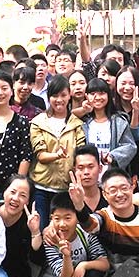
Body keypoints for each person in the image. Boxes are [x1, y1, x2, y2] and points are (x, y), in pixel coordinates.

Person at [29, 74, 87, 228]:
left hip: (66, 188)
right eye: (55, 95)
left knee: (63, 229)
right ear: (49, 97)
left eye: (63, 95)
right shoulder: (38, 122)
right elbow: (40, 155)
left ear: (69, 95)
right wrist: (57, 155)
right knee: (41, 228)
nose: (59, 100)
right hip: (41, 187)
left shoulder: (77, 124)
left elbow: (80, 154)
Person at [0, 175, 43, 277]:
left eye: (23, 195)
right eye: (12, 192)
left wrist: (35, 232)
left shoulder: (29, 221)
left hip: (16, 272)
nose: (15, 198)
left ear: (28, 201)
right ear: (4, 192)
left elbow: (38, 258)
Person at [81, 77, 136, 170]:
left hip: (112, 174)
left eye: (102, 93)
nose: (97, 97)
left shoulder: (119, 122)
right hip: (89, 173)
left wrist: (113, 157)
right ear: (86, 96)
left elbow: (130, 146)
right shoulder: (83, 122)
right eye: (93, 94)